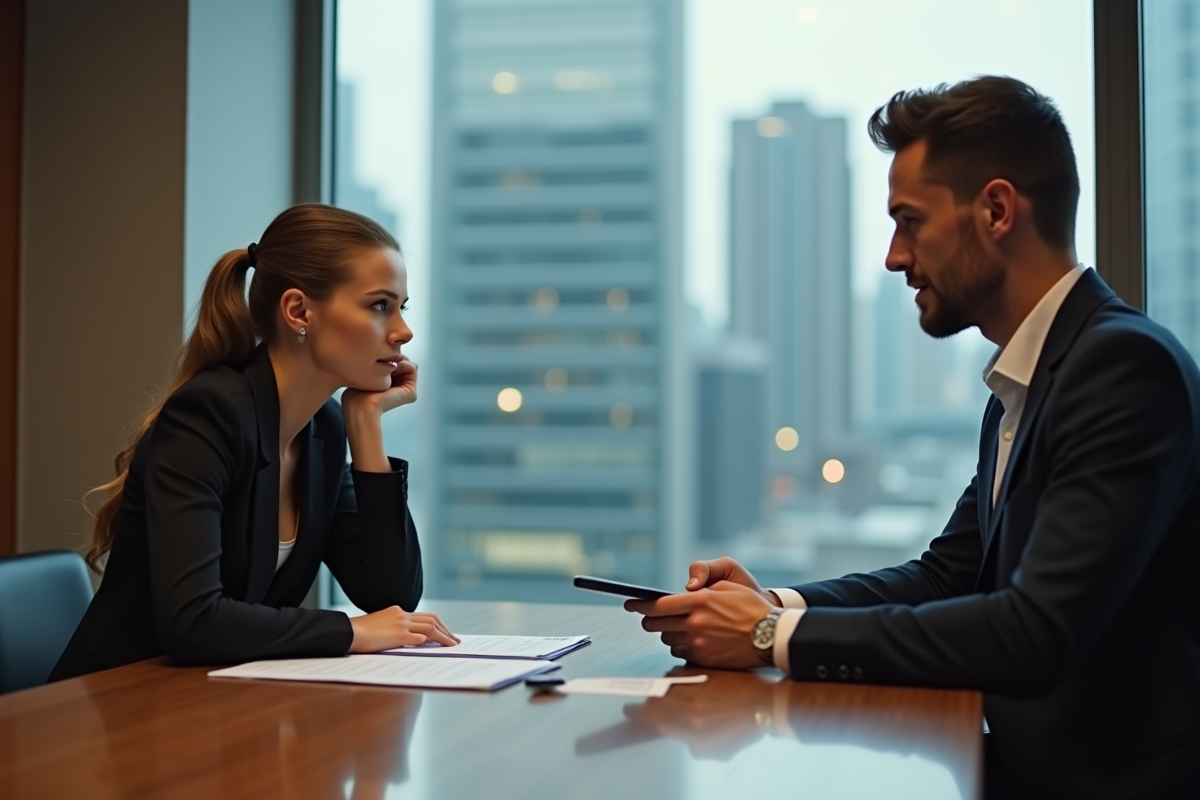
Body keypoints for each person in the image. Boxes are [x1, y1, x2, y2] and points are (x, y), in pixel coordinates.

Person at [627, 77, 1200, 799]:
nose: (895, 257)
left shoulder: (1121, 367)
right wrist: (774, 604)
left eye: (910, 221)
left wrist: (771, 638)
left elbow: (1035, 631)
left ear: (996, 210)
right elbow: (948, 575)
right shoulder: (1031, 380)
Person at [51, 204, 458, 681]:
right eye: (379, 305)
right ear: (299, 310)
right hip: (115, 705)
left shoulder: (324, 428)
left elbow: (391, 594)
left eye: (402, 307)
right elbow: (193, 622)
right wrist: (351, 632)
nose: (404, 330)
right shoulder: (208, 416)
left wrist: (365, 424)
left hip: (210, 706)